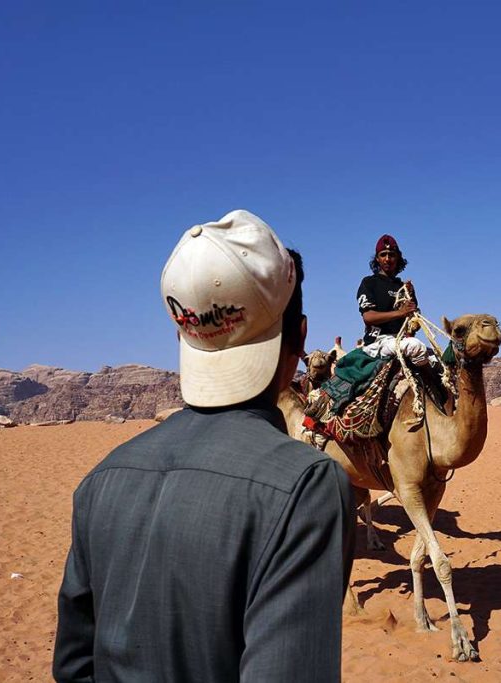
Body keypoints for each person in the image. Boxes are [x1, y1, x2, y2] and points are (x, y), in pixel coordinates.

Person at [53, 210, 356, 683]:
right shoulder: (307, 487)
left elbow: (74, 666)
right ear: (299, 336)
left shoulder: (101, 480)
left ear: (182, 331)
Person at [356, 234, 430, 366]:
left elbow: (412, 324)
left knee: (437, 359)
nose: (387, 259)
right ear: (377, 259)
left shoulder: (404, 288)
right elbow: (368, 317)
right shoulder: (369, 283)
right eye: (383, 255)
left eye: (391, 255)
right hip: (378, 342)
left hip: (402, 340)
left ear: (398, 258)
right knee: (416, 347)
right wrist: (401, 312)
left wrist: (413, 316)